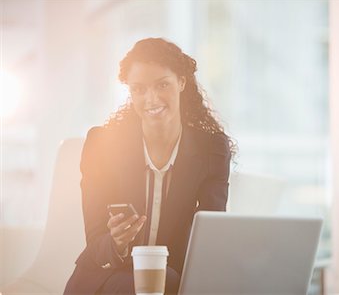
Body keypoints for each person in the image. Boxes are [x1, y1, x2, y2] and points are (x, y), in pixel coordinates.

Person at [64, 37, 234, 295]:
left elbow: (210, 234)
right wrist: (117, 242)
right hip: (105, 279)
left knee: (168, 282)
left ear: (181, 82)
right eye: (139, 89)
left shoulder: (211, 150)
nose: (150, 99)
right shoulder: (102, 145)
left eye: (162, 85)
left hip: (171, 278)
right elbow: (96, 242)